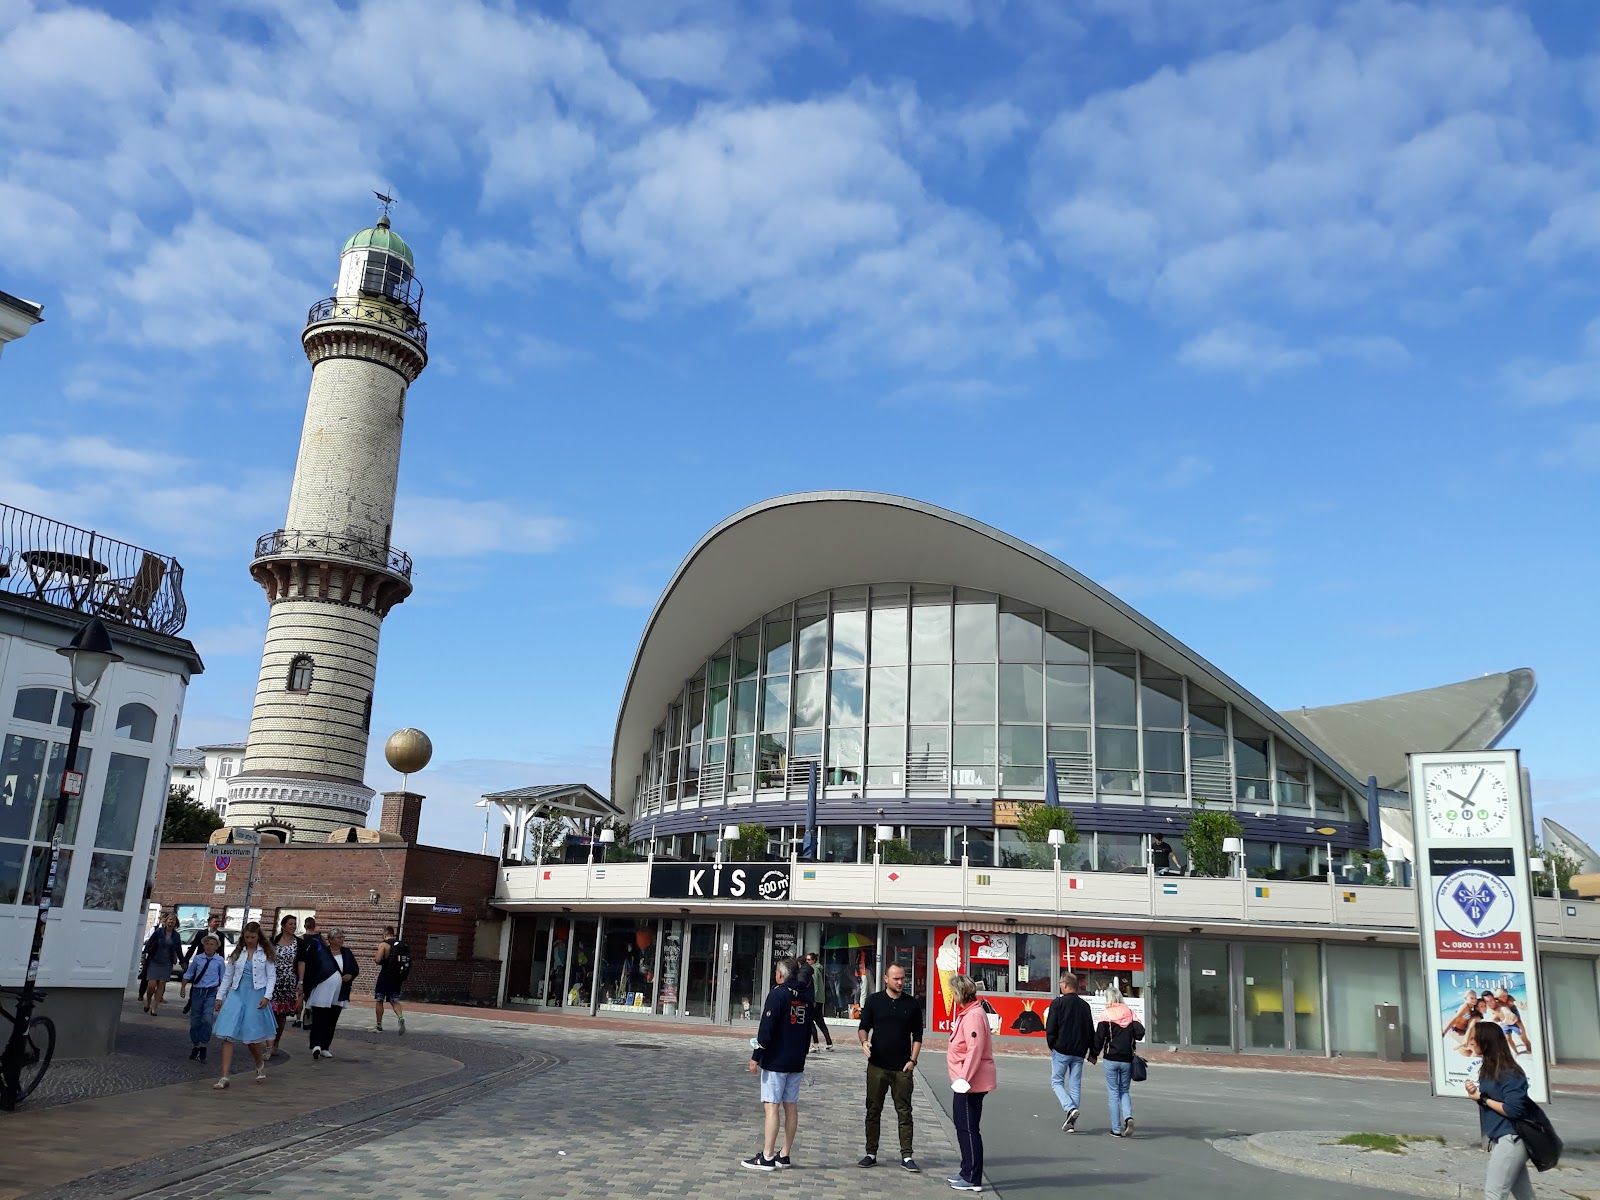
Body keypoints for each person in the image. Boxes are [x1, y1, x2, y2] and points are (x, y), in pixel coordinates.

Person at [742, 957, 812, 1173]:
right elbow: (809, 1027)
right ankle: (785, 1153)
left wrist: (756, 1056)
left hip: (776, 1060)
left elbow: (766, 1030)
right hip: (796, 1060)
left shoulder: (778, 995)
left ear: (780, 975)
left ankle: (767, 1156)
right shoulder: (806, 997)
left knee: (772, 1106)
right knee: (790, 1106)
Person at [857, 963, 923, 1172]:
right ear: (886, 979)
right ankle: (871, 1152)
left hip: (902, 1068)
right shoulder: (874, 1001)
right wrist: (864, 1042)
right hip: (877, 1066)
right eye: (896, 978)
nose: (900, 982)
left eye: (903, 978)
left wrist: (912, 1060)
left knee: (904, 1112)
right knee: (873, 1110)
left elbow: (918, 1036)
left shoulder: (911, 1004)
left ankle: (907, 1155)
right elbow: (863, 1027)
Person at [1465, 1020, 1534, 1200]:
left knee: (1494, 1195)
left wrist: (1483, 1098)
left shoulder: (1510, 1072)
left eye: (1474, 1038)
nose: (1470, 1042)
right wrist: (1476, 1094)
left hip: (1511, 1139)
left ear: (1486, 1042)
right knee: (1525, 1197)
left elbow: (1513, 1110)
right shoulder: (1489, 1069)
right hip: (1502, 1138)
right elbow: (1492, 1101)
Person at [946, 974, 996, 1193]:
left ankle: (972, 1177)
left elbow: (975, 1049)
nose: (952, 996)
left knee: (968, 1128)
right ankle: (966, 1170)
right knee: (963, 1126)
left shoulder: (974, 1015)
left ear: (960, 993)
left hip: (969, 1082)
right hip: (965, 1080)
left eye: (953, 993)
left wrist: (964, 1079)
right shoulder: (970, 1013)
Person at [211, 921, 277, 1089]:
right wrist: (220, 996)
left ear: (258, 936)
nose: (249, 940)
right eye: (247, 937)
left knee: (251, 1038)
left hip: (256, 993)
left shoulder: (265, 954)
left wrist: (267, 996)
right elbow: (228, 976)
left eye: (252, 937)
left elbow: (271, 977)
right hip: (237, 993)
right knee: (227, 1035)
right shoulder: (238, 953)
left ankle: (259, 1062)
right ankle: (224, 1076)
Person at [1089, 988, 1145, 1138]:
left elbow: (1098, 1039)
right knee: (1124, 1091)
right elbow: (1140, 1033)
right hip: (1127, 1059)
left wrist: (1093, 1055)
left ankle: (1116, 1129)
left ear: (1108, 999)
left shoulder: (1105, 1015)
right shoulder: (1130, 1012)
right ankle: (1128, 1117)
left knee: (1113, 1093)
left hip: (1110, 1059)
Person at [1045, 973, 1095, 1132]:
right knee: (1075, 1084)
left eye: (1060, 983)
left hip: (1062, 1049)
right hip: (1079, 1051)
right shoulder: (1084, 1006)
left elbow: (1051, 1027)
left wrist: (1052, 1045)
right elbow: (1090, 1030)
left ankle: (1069, 1108)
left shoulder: (1058, 1003)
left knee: (1057, 1082)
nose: (1060, 985)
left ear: (1066, 985)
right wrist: (1092, 1052)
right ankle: (1071, 1121)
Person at [301, 926, 359, 1059]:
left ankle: (325, 1047)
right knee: (319, 1018)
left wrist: (350, 975)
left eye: (342, 937)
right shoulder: (322, 953)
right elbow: (313, 970)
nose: (342, 940)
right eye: (339, 937)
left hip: (339, 993)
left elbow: (354, 968)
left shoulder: (347, 953)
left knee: (332, 1020)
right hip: (322, 991)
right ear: (331, 939)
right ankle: (316, 1045)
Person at [179, 933, 225, 1062]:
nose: (209, 947)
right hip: (197, 992)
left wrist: (220, 997)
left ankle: (204, 1044)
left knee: (207, 1019)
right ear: (203, 945)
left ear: (216, 947)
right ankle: (196, 1045)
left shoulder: (219, 960)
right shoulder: (198, 959)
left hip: (211, 992)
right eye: (207, 944)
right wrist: (183, 987)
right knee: (195, 1021)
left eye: (212, 944)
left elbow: (223, 979)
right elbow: (189, 973)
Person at [267, 915, 301, 1056]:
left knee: (281, 1015)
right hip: (273, 980)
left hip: (288, 982)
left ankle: (276, 1042)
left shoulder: (299, 943)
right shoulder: (274, 941)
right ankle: (268, 1041)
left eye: (294, 924)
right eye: (290, 924)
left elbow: (301, 963)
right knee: (269, 1012)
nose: (293, 926)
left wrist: (301, 982)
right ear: (283, 925)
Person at [373, 925, 411, 1035]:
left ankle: (379, 1025)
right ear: (392, 934)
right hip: (397, 977)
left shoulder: (384, 945)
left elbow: (378, 959)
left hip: (385, 976)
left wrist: (376, 959)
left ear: (384, 934)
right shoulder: (401, 945)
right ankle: (400, 1017)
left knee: (379, 1000)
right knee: (394, 1000)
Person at [141, 914, 182, 1016]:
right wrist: (144, 954)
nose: (171, 922)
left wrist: (183, 961)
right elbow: (150, 943)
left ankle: (154, 1007)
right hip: (154, 961)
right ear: (166, 921)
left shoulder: (176, 936)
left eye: (173, 921)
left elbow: (179, 950)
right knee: (151, 985)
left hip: (167, 963)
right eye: (169, 920)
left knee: (161, 985)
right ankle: (148, 1000)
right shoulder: (158, 932)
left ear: (176, 923)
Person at [292, 917, 321, 1028]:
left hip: (301, 971)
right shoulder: (320, 939)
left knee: (300, 995)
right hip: (315, 972)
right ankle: (309, 1019)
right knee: (311, 996)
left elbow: (295, 956)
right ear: (314, 926)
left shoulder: (300, 939)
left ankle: (298, 1019)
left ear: (305, 926)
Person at [803, 952, 834, 1050]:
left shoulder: (814, 970)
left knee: (810, 1021)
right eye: (806, 960)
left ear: (813, 960)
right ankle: (829, 1042)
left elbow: (815, 986)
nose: (807, 962)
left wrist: (813, 999)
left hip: (815, 999)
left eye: (809, 960)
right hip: (819, 999)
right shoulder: (818, 969)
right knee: (820, 1021)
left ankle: (815, 1044)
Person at [1496, 989, 1534, 1056]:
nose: (1502, 998)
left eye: (1504, 995)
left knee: (1523, 1037)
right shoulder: (1497, 1001)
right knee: (1508, 1039)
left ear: (1507, 993)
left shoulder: (1510, 999)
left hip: (1515, 1021)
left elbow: (1516, 1003)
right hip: (1505, 1023)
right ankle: (1516, 1052)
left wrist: (1521, 1006)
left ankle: (1530, 1049)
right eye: (1500, 996)